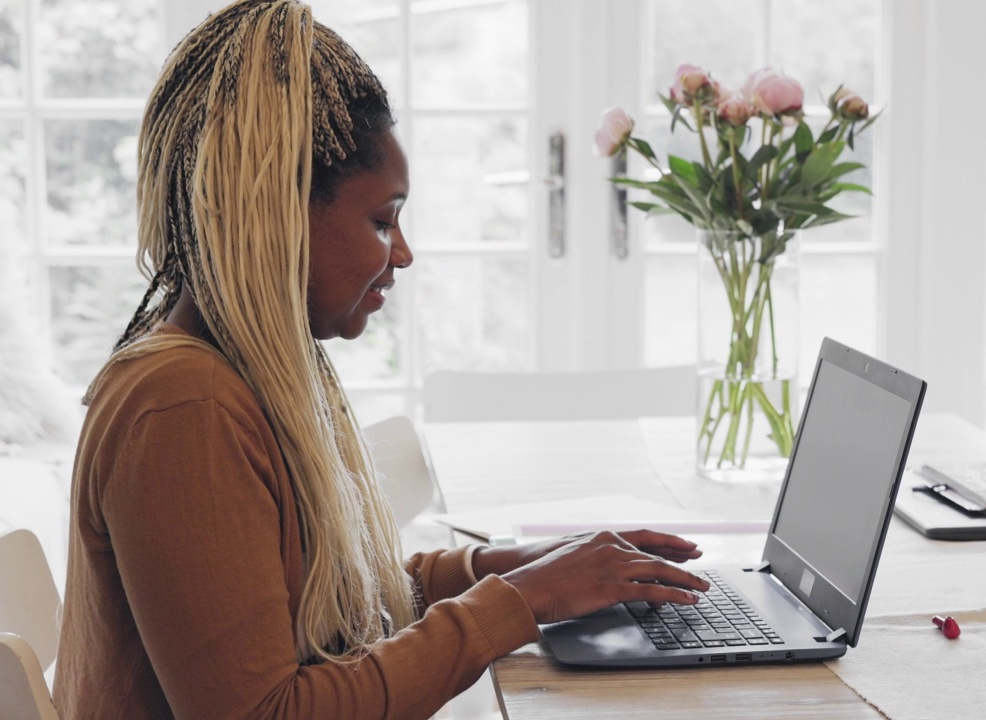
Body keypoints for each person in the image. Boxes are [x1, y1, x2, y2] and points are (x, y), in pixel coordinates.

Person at [52, 1, 709, 717]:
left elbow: (332, 607)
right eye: (380, 218)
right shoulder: (184, 406)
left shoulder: (245, 374)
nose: (402, 252)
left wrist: (513, 569)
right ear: (277, 213)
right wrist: (514, 603)